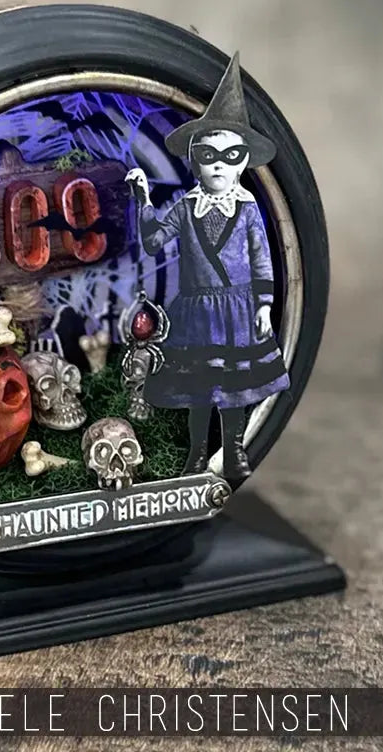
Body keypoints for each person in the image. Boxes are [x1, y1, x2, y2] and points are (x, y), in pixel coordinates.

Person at [124, 52, 289, 482]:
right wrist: (144, 200)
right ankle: (198, 453)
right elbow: (154, 242)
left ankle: (232, 449)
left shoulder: (247, 207)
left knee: (234, 389)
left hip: (237, 309)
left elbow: (261, 258)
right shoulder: (186, 205)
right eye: (208, 153)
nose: (218, 163)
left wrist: (263, 305)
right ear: (194, 161)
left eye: (230, 154)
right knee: (199, 389)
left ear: (243, 162)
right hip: (197, 311)